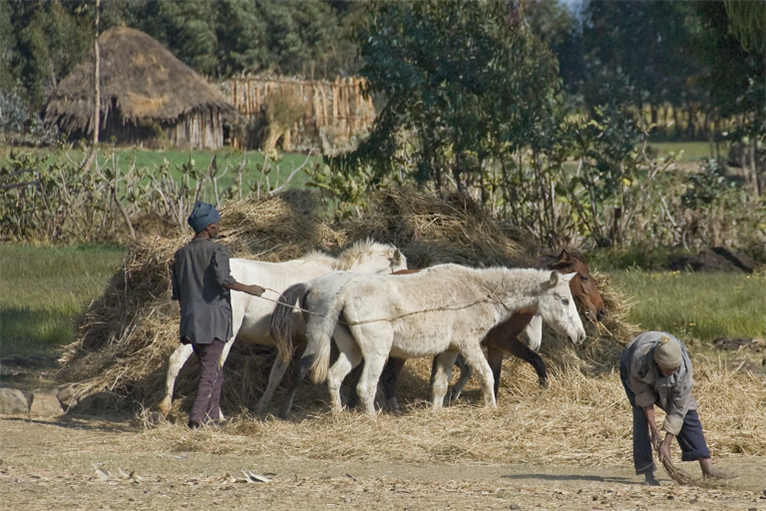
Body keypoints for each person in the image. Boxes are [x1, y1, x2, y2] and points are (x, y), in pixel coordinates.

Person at [171, 200, 265, 429]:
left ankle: (213, 418)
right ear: (209, 227)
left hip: (191, 322)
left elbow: (177, 292)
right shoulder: (217, 250)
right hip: (213, 321)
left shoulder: (181, 254)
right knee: (209, 370)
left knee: (215, 372)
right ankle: (196, 418)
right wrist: (249, 289)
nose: (220, 226)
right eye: (217, 223)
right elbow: (224, 280)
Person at [619, 331, 735, 486]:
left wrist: (667, 442)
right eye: (668, 370)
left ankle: (708, 469)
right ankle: (647, 473)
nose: (672, 372)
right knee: (640, 414)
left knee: (688, 412)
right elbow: (644, 397)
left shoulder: (684, 370)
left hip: (661, 370)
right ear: (657, 363)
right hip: (630, 365)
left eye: (674, 369)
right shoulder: (639, 359)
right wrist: (655, 430)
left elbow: (679, 409)